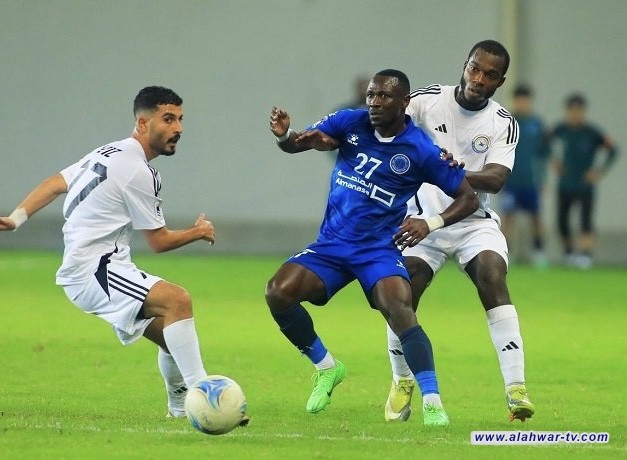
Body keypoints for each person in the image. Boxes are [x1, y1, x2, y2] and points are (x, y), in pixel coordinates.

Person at [266, 69, 479, 426]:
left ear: (404, 103)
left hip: (377, 250)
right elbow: (301, 142)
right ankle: (326, 368)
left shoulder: (421, 150)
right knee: (277, 292)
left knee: (400, 308)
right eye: (371, 95)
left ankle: (432, 402)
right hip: (332, 245)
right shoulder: (350, 122)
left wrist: (430, 222)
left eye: (384, 97)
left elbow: (468, 198)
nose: (374, 103)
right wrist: (286, 135)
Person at [0, 86, 217, 419]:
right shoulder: (139, 172)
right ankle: (207, 400)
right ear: (142, 124)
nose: (178, 129)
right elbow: (158, 242)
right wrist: (198, 232)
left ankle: (178, 405)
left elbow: (58, 181)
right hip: (95, 270)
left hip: (95, 267)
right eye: (168, 119)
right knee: (178, 301)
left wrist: (17, 218)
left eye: (181, 120)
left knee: (174, 328)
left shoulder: (108, 152)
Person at [384, 40, 536, 423]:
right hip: (423, 224)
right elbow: (384, 116)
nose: (478, 79)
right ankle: (402, 382)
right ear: (465, 65)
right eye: (474, 68)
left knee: (492, 274)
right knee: (403, 290)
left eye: (489, 75)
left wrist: (450, 173)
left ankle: (516, 389)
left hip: (472, 223)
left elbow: (497, 179)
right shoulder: (426, 101)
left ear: (500, 81)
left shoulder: (503, 123)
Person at [549, 93, 618, 269]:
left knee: (586, 220)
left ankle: (586, 255)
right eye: (572, 110)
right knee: (562, 221)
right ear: (567, 111)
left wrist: (599, 171)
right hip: (565, 183)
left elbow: (613, 149)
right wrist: (554, 161)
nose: (575, 114)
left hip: (585, 185)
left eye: (578, 110)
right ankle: (569, 253)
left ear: (583, 111)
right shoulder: (560, 130)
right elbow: (543, 144)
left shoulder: (592, 133)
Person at [500, 84, 550, 267]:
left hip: (531, 181)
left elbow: (544, 154)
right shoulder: (508, 122)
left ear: (529, 101)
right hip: (511, 181)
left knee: (536, 217)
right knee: (508, 217)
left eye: (525, 100)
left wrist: (542, 179)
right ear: (515, 101)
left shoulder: (537, 124)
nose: (522, 103)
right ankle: (507, 252)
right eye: (519, 100)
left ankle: (539, 252)